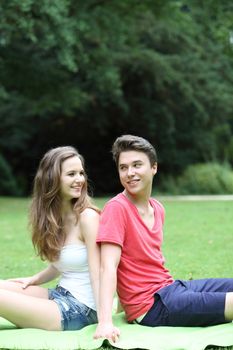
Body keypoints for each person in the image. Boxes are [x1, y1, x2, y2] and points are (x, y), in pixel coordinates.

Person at [94, 134, 233, 342]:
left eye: (137, 165)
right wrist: (105, 322)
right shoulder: (116, 208)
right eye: (123, 168)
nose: (130, 173)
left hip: (171, 289)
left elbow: (141, 261)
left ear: (154, 168)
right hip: (151, 307)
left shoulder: (158, 208)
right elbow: (108, 267)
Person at [0, 146, 100, 331]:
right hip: (59, 295)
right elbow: (63, 263)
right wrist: (34, 279)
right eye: (71, 174)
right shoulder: (56, 219)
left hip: (80, 310)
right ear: (52, 179)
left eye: (81, 173)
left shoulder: (88, 217)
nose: (80, 179)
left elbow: (100, 272)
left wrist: (105, 322)